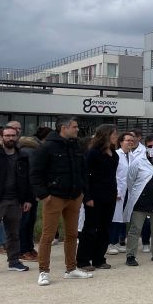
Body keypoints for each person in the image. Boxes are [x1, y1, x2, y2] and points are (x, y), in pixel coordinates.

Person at [30, 117, 89, 285]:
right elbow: (35, 172)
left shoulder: (76, 146)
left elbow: (82, 171)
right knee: (47, 236)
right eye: (75, 127)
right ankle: (43, 271)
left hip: (74, 196)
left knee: (72, 234)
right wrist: (43, 194)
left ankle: (71, 268)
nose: (78, 129)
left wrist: (82, 191)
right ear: (64, 128)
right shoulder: (47, 147)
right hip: (54, 197)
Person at [0, 125, 34, 275]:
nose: (10, 138)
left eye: (13, 135)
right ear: (1, 138)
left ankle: (14, 261)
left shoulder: (23, 156)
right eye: (7, 136)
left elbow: (28, 179)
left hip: (16, 201)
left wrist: (28, 199)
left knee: (14, 233)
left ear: (17, 136)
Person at [123, 135, 153, 266]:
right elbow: (130, 181)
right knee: (135, 229)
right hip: (141, 200)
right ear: (146, 146)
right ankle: (131, 256)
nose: (152, 148)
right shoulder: (138, 161)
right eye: (149, 146)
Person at [76, 124, 119, 272]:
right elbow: (85, 176)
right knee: (90, 229)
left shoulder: (115, 154)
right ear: (106, 135)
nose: (116, 136)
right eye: (114, 134)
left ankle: (99, 258)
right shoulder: (93, 153)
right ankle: (82, 260)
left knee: (104, 228)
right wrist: (87, 196)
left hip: (110, 195)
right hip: (94, 196)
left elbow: (112, 176)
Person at [107, 132, 135, 255]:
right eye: (127, 140)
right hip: (118, 191)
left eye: (132, 140)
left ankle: (117, 241)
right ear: (120, 142)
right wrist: (116, 191)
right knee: (114, 217)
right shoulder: (116, 155)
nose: (130, 142)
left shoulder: (132, 155)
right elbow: (113, 175)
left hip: (128, 191)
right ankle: (110, 243)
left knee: (122, 218)